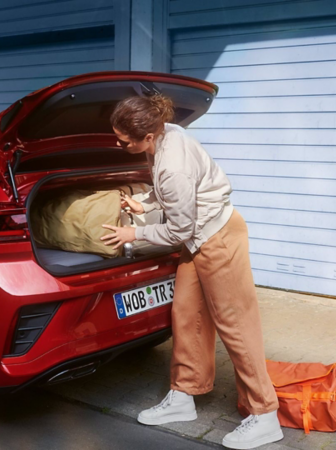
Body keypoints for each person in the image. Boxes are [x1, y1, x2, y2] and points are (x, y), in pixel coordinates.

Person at [101, 94, 283, 450]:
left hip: (216, 236)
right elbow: (172, 194)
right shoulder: (166, 132)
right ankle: (184, 395)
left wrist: (133, 232)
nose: (118, 144)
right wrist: (147, 203)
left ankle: (265, 414)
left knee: (235, 323)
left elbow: (177, 230)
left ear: (149, 137)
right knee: (186, 312)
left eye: (124, 141)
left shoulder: (173, 166)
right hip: (198, 236)